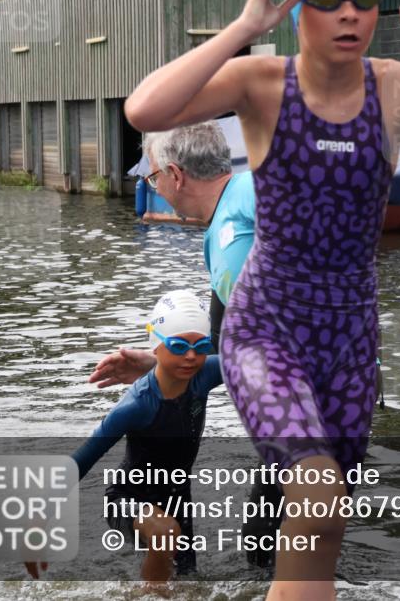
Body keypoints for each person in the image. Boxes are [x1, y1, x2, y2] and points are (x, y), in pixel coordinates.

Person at [123, 0, 400, 597]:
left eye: (365, 0)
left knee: (322, 524)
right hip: (268, 326)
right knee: (317, 491)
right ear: (298, 6)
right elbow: (144, 109)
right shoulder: (261, 83)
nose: (349, 14)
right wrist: (243, 28)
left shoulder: (398, 86)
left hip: (351, 339)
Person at [89, 121, 283, 568]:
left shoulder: (254, 192)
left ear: (175, 175)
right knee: (261, 545)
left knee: (294, 541)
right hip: (284, 410)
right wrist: (164, 364)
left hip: (322, 395)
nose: (152, 188)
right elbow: (221, 348)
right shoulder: (215, 241)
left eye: (152, 178)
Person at [29, 291, 220, 584]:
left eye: (201, 345)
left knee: (187, 582)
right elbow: (83, 457)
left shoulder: (204, 374)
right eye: (179, 346)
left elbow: (257, 359)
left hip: (177, 497)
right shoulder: (137, 405)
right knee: (165, 533)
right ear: (157, 345)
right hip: (127, 499)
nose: (191, 356)